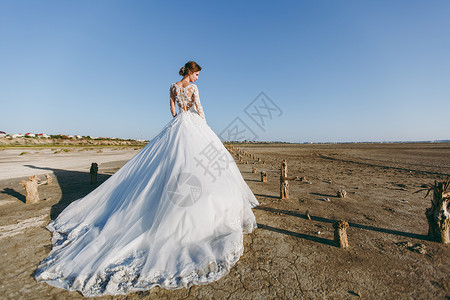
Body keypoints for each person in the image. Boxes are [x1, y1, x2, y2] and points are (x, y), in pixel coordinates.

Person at [34, 61, 259, 297]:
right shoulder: (194, 90)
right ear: (191, 72)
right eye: (197, 74)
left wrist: (180, 116)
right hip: (193, 126)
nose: (197, 79)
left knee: (167, 166)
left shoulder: (173, 86)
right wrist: (202, 126)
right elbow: (200, 109)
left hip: (177, 125)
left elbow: (172, 109)